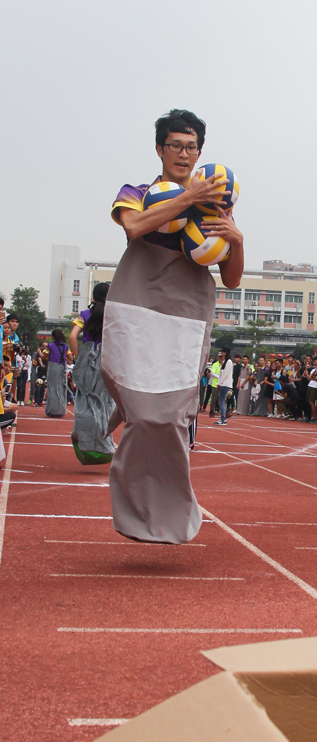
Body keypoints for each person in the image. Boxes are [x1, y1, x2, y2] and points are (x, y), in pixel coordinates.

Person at [102, 109, 244, 544]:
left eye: (192, 147)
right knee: (144, 414)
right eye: (176, 145)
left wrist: (238, 240)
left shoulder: (216, 205)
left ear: (201, 150)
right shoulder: (138, 192)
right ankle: (136, 500)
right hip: (138, 304)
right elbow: (134, 228)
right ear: (160, 148)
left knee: (167, 418)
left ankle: (167, 518)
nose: (184, 154)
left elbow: (233, 278)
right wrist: (186, 197)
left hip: (184, 315)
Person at [69, 282, 115, 465]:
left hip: (88, 360)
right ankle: (104, 444)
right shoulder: (114, 316)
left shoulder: (85, 315)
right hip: (107, 360)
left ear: (94, 297)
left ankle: (83, 440)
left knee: (85, 400)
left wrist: (79, 357)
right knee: (105, 403)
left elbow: (72, 337)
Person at [44, 328, 69, 418]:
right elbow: (69, 356)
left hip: (53, 367)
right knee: (61, 388)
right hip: (62, 367)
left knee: (52, 388)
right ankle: (61, 410)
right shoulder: (66, 346)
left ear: (53, 337)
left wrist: (41, 354)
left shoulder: (50, 346)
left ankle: (52, 410)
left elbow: (44, 356)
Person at [215, 348, 233, 426]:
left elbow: (226, 374)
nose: (222, 353)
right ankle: (222, 419)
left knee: (221, 402)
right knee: (221, 402)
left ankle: (223, 419)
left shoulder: (229, 362)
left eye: (223, 352)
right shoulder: (225, 362)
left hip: (225, 384)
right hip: (223, 384)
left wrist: (220, 382)